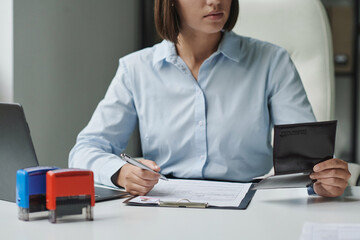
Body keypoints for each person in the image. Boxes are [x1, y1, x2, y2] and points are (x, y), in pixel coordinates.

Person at [69, 0, 350, 198]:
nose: (215, 2)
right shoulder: (136, 69)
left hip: (251, 207)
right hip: (163, 209)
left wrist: (321, 182)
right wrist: (119, 171)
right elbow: (85, 150)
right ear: (170, 2)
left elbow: (307, 161)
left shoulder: (271, 62)